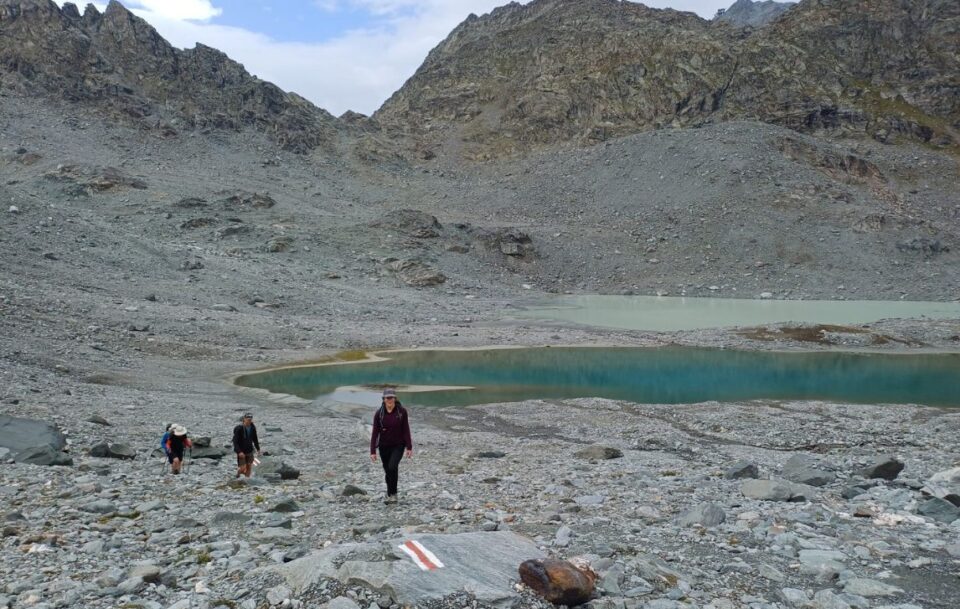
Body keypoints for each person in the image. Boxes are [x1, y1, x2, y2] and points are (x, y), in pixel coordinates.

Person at [369, 388, 413, 503]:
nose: (389, 400)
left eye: (391, 397)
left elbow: (406, 430)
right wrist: (372, 451)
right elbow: (375, 433)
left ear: (395, 398)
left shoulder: (402, 412)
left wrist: (409, 447)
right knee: (388, 471)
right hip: (384, 446)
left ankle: (393, 494)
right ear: (383, 399)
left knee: (392, 467)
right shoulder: (379, 414)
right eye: (387, 398)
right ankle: (390, 493)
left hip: (398, 445)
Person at [232, 412, 261, 478]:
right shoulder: (239, 429)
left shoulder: (253, 427)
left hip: (250, 450)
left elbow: (255, 439)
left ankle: (247, 480)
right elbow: (235, 441)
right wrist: (239, 452)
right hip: (241, 451)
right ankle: (238, 474)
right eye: (248, 419)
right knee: (243, 468)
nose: (249, 421)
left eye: (250, 419)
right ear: (244, 419)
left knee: (249, 466)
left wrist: (258, 449)